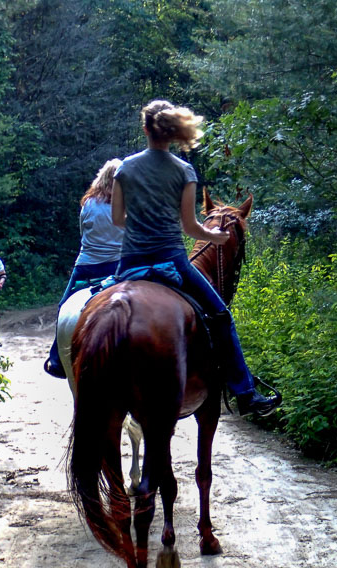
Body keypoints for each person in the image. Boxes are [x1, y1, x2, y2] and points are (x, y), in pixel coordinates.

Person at [111, 99, 281, 417]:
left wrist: (140, 222)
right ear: (173, 131)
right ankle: (246, 393)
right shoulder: (183, 170)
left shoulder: (125, 168)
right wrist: (215, 237)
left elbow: (118, 219)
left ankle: (62, 360)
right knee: (221, 316)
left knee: (91, 306)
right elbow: (190, 227)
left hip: (130, 263)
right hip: (172, 263)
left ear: (145, 128)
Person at [44, 158, 124, 378]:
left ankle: (57, 359)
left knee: (63, 307)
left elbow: (83, 234)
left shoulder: (88, 204)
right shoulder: (126, 204)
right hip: (117, 267)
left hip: (87, 266)